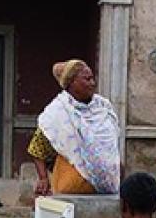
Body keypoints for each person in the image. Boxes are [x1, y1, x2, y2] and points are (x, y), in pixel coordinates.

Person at [28, 59, 120, 196]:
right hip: (71, 188)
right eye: (87, 79)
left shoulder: (103, 107)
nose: (92, 83)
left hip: (107, 187)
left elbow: (112, 147)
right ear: (71, 82)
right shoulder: (58, 112)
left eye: (92, 79)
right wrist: (43, 179)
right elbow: (36, 149)